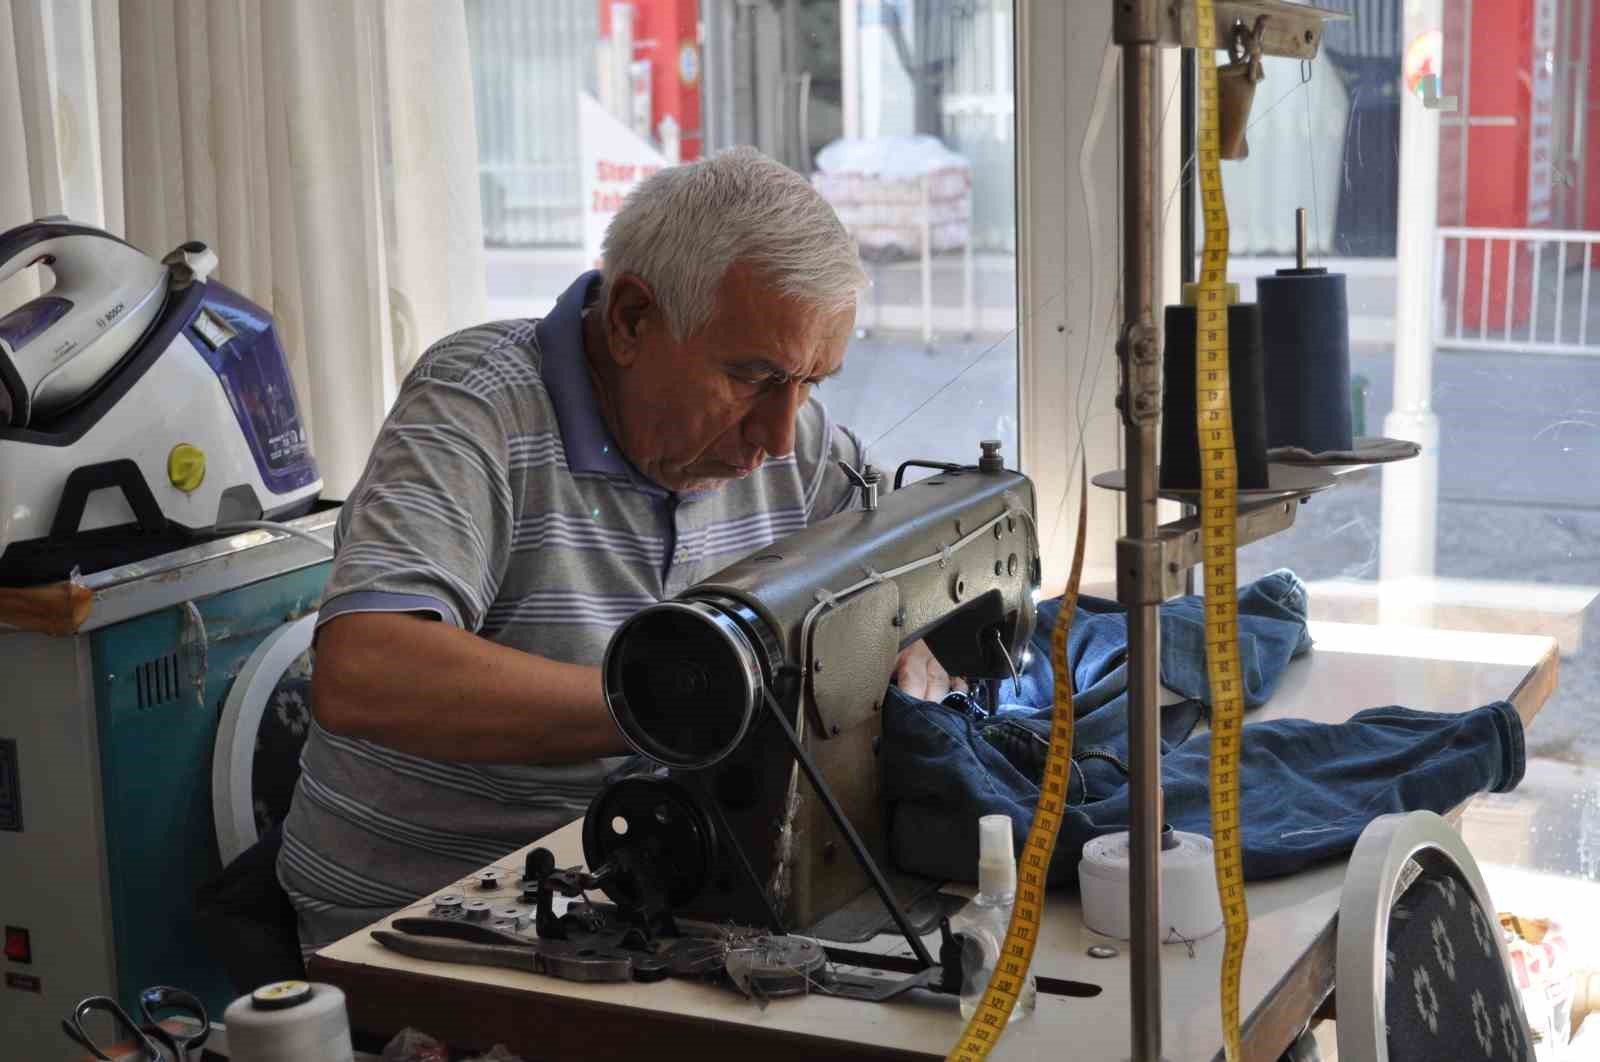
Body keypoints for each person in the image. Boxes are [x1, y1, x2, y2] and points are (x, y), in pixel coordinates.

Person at [277, 147, 964, 952]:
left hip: (639, 890)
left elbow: (894, 576)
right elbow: (367, 673)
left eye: (813, 383)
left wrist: (905, 649)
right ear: (634, 318)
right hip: (426, 920)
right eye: (752, 378)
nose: (779, 435)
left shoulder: (797, 440)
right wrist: (683, 711)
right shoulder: (476, 408)